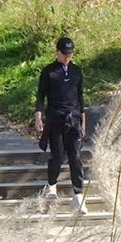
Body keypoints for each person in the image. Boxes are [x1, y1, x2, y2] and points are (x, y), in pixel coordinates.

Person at [35, 36, 87, 214]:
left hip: (73, 119)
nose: (67, 57)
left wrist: (83, 119)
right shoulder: (49, 72)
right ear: (57, 52)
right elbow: (41, 95)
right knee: (57, 156)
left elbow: (80, 96)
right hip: (55, 119)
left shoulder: (76, 71)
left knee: (75, 156)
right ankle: (51, 185)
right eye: (64, 53)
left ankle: (78, 195)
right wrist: (38, 116)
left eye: (70, 53)